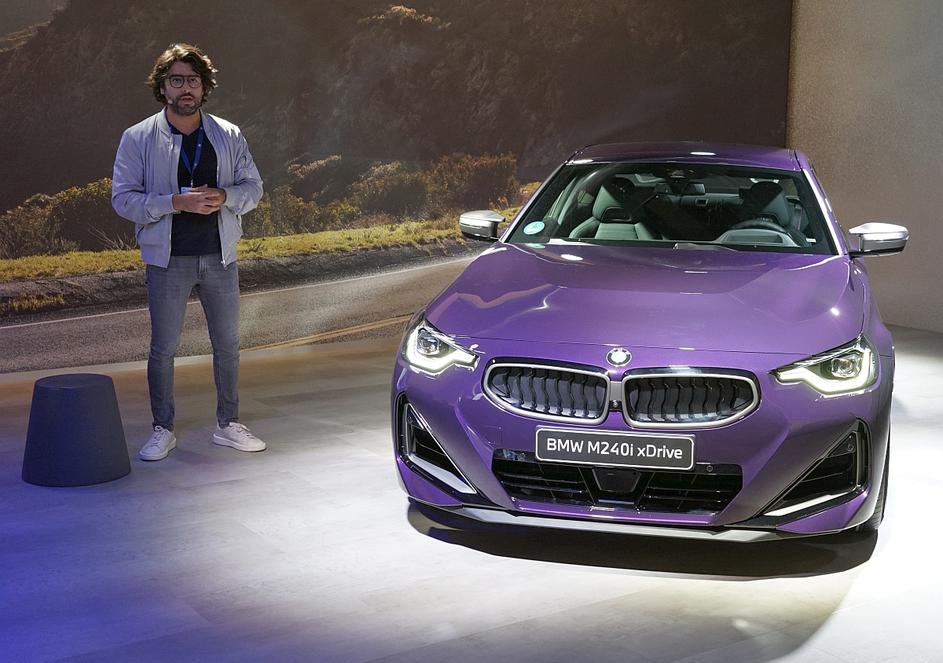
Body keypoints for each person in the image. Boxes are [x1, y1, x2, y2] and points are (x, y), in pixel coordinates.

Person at [112, 43, 265, 461]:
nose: (185, 88)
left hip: (220, 256)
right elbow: (123, 199)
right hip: (168, 260)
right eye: (176, 80)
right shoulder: (137, 137)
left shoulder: (228, 134)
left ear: (204, 86)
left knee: (228, 345)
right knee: (163, 349)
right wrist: (174, 203)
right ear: (162, 87)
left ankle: (228, 424)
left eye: (192, 80)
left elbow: (254, 187)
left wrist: (227, 195)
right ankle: (162, 429)